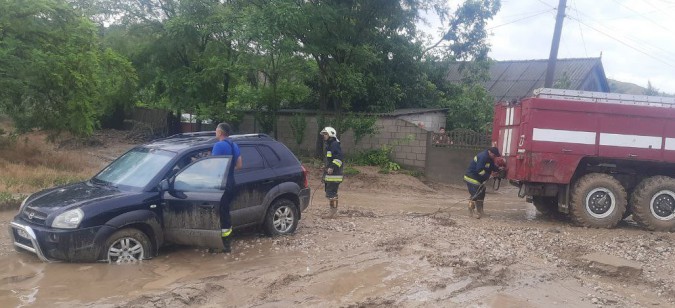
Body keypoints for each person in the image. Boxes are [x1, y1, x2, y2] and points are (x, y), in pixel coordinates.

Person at [211, 122, 243, 253]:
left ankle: (224, 245)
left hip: (220, 185)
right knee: (225, 212)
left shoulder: (218, 145)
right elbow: (240, 165)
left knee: (221, 214)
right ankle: (226, 241)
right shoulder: (233, 145)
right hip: (231, 183)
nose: (215, 132)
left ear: (220, 132)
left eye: (216, 130)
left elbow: (212, 166)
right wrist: (228, 169)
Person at [464, 146, 501, 219]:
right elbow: (479, 170)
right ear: (489, 152)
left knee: (481, 195)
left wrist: (498, 169)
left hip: (479, 179)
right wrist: (489, 176)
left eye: (495, 156)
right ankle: (471, 212)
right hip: (472, 178)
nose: (494, 157)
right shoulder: (483, 157)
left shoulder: (490, 158)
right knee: (475, 195)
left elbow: (491, 167)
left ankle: (480, 212)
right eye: (494, 155)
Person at [321, 127, 343, 218]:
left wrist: (332, 167)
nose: (324, 136)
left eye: (325, 134)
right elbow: (331, 159)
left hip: (335, 174)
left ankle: (333, 213)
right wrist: (326, 167)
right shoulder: (330, 144)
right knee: (330, 192)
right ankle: (332, 211)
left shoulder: (334, 144)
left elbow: (339, 158)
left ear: (330, 134)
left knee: (332, 193)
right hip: (331, 174)